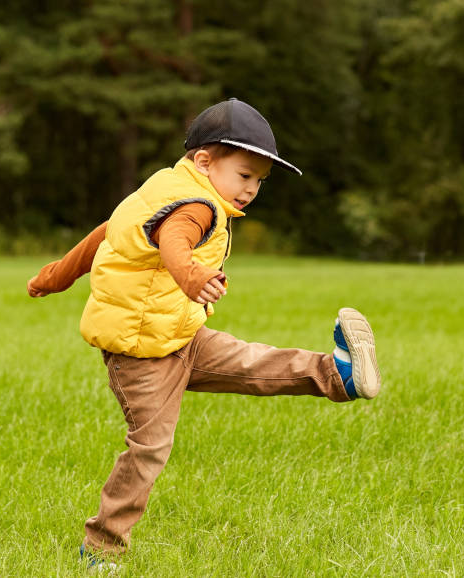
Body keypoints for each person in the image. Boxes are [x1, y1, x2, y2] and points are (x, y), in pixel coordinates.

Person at [26, 98, 382, 567]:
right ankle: (100, 549)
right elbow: (176, 242)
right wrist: (191, 276)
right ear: (204, 161)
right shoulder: (194, 205)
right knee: (150, 448)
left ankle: (340, 374)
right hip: (142, 355)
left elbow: (107, 233)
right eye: (244, 175)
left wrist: (55, 276)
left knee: (254, 362)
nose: (251, 189)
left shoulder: (162, 190)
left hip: (182, 335)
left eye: (258, 181)